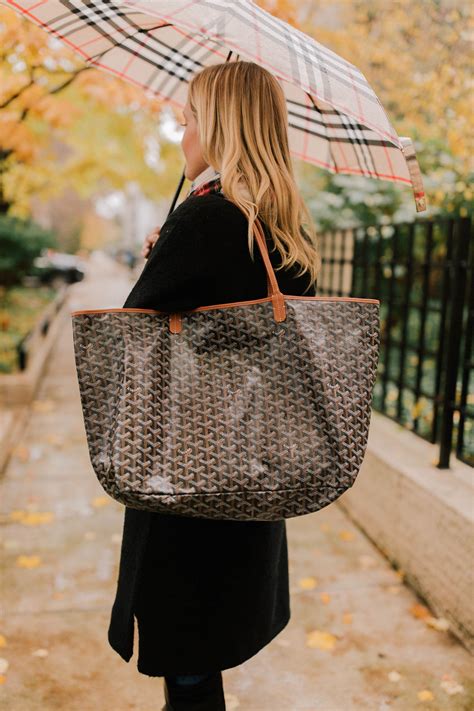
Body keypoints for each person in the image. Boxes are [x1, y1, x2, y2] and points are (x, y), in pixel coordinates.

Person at [107, 60, 320, 711]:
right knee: (207, 638)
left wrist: (167, 250)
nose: (181, 131)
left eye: (191, 118)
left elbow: (138, 333)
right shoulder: (283, 229)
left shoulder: (204, 219)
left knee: (188, 651)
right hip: (251, 467)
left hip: (190, 469)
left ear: (221, 128)